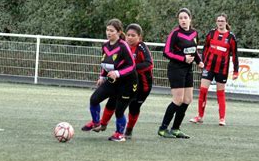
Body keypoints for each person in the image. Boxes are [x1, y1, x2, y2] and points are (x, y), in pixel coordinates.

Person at [81, 19, 138, 142]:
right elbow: (106, 64)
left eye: (112, 31)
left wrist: (118, 73)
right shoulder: (105, 45)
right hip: (113, 81)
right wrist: (102, 76)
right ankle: (96, 123)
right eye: (107, 30)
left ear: (118, 32)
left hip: (128, 83)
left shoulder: (123, 46)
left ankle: (119, 134)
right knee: (94, 99)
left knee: (119, 111)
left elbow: (131, 66)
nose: (108, 33)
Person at [98, 23, 153, 139]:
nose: (130, 37)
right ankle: (102, 124)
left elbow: (149, 64)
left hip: (143, 85)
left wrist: (131, 68)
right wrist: (104, 76)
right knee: (113, 100)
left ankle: (129, 130)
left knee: (134, 107)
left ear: (139, 37)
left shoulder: (141, 47)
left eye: (133, 35)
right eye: (128, 35)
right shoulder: (122, 45)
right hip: (124, 81)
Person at [158, 8, 204, 138]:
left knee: (188, 99)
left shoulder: (194, 33)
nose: (183, 20)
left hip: (188, 69)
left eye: (185, 17)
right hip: (176, 69)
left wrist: (199, 62)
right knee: (178, 100)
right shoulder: (175, 33)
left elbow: (194, 51)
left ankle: (176, 129)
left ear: (190, 19)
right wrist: (183, 58)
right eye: (180, 18)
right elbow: (166, 52)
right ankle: (162, 128)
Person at [190, 13, 239, 126]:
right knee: (203, 91)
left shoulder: (231, 37)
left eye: (222, 21)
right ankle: (200, 116)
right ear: (216, 22)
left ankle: (222, 118)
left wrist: (236, 71)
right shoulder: (211, 33)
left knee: (220, 93)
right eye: (218, 21)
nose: (220, 23)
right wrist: (202, 61)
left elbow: (235, 55)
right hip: (209, 67)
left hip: (222, 69)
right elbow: (206, 48)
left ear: (226, 22)